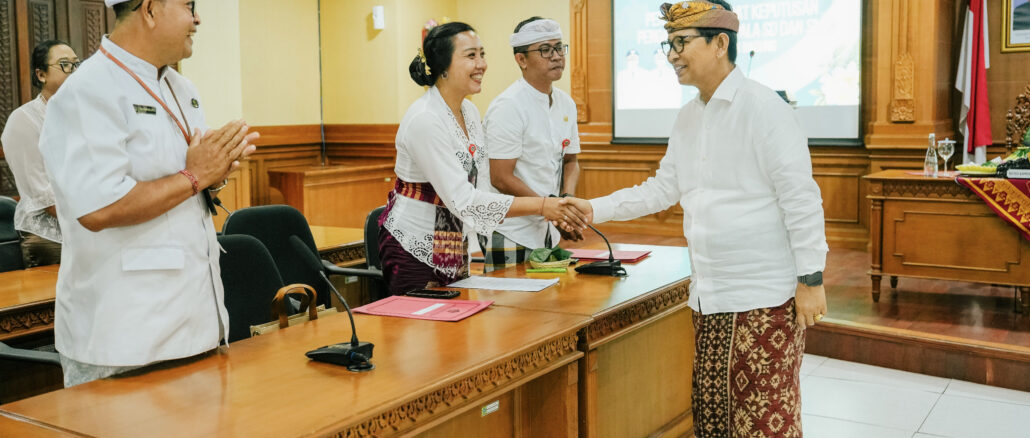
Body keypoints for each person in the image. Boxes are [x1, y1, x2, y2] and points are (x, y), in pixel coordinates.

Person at [574, 1, 828, 436]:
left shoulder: (765, 109)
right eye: (668, 44)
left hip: (762, 298)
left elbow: (800, 199)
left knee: (765, 423)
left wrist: (811, 280)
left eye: (681, 43)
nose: (672, 55)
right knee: (713, 421)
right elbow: (662, 189)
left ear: (720, 43)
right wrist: (594, 208)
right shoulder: (689, 116)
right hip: (708, 296)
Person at [39, 0, 258, 387]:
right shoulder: (87, 91)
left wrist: (214, 173)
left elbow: (184, 180)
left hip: (197, 325)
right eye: (188, 5)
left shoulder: (181, 87)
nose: (197, 17)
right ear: (151, 9)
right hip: (125, 339)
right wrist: (195, 175)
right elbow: (98, 208)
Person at [379, 21, 591, 296]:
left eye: (482, 54)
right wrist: (542, 206)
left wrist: (552, 209)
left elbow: (483, 185)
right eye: (470, 56)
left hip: (453, 243)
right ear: (443, 66)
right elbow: (464, 200)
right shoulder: (425, 119)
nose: (481, 64)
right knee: (424, 333)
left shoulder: (468, 111)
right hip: (413, 244)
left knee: (455, 333)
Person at [481, 17, 582, 272]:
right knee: (514, 309)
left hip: (548, 227)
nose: (556, 56)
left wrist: (565, 203)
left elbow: (571, 161)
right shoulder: (509, 106)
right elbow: (500, 178)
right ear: (521, 60)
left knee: (552, 305)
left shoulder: (565, 103)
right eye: (545, 50)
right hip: (512, 230)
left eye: (559, 48)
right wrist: (551, 208)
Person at [0, 40, 79, 267]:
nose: (74, 71)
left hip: (90, 225)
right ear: (41, 74)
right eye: (65, 65)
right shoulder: (24, 119)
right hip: (50, 235)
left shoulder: (84, 114)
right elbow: (41, 193)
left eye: (76, 64)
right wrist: (89, 218)